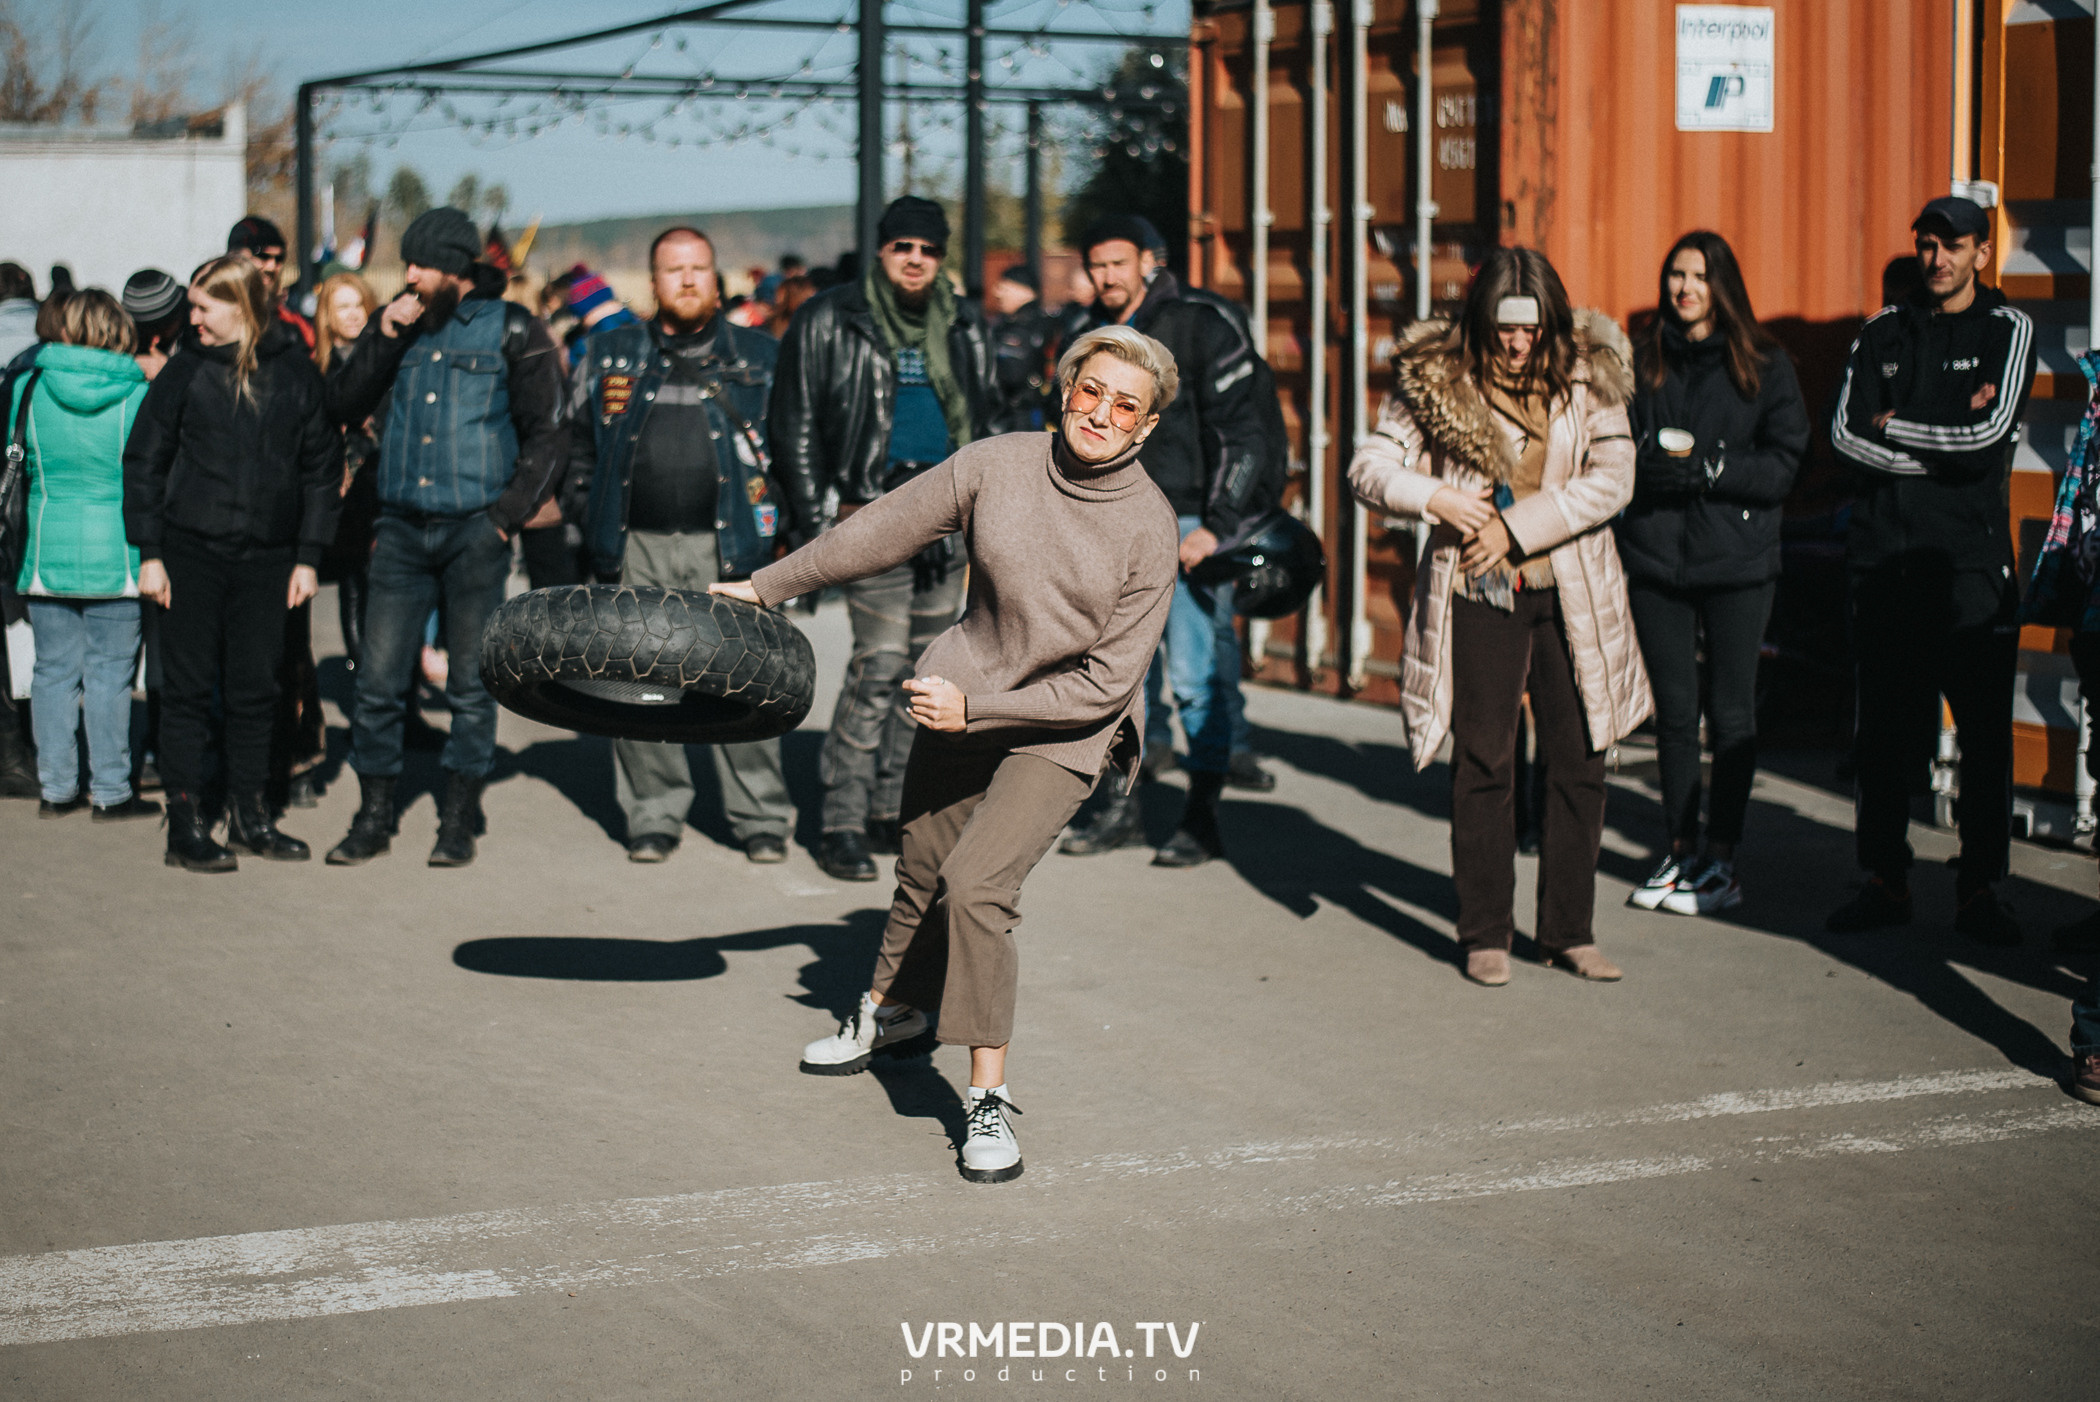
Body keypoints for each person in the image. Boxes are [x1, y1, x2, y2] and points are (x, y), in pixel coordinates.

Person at [719, 324, 1179, 1182]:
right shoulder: (996, 463)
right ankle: (891, 1013)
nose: (1102, 414)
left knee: (976, 888)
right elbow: (882, 530)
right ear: (1066, 385)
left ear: (1145, 427)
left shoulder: (1149, 527)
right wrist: (767, 587)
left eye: (1127, 406)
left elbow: (1105, 685)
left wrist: (981, 710)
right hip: (966, 692)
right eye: (1093, 391)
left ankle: (986, 1098)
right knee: (923, 870)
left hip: (1066, 723)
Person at [1348, 248, 1651, 987]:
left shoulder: (1592, 375)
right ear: (1481, 321)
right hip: (1477, 593)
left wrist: (1517, 528)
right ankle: (1485, 931)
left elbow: (1614, 479)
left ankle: (1569, 931)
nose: (1518, 342)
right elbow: (1368, 467)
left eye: (1532, 327)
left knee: (1580, 761)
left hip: (1573, 590)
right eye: (1504, 327)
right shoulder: (1433, 378)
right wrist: (1436, 499)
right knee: (1485, 760)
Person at [322, 207, 564, 868]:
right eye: (407, 263)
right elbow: (341, 406)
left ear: (456, 269)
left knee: (469, 682)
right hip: (398, 530)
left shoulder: (514, 328)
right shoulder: (396, 326)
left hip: (473, 531)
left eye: (422, 264)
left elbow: (548, 434)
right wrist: (380, 336)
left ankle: (459, 814)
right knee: (377, 680)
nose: (409, 276)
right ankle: (374, 814)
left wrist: (503, 517)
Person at [1824, 195, 2037, 944]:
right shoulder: (1883, 331)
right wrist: (1940, 446)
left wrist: (1901, 431)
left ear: (1983, 252)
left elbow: (1986, 437)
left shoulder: (2009, 330)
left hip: (1969, 571)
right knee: (1881, 735)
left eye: (1953, 245)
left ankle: (1980, 890)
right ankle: (1886, 879)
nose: (1937, 257)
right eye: (1926, 244)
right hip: (1883, 565)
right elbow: (1846, 437)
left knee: (1983, 739)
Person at [770, 195, 992, 881]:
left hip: (950, 517)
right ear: (882, 251)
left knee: (929, 673)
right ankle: (841, 813)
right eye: (904, 247)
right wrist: (818, 524)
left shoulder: (963, 323)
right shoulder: (831, 316)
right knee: (878, 665)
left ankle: (890, 807)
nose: (916, 260)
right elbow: (794, 423)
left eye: (928, 250)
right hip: (868, 513)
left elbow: (986, 416)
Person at [562, 226, 797, 864]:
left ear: (716, 278)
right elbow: (577, 448)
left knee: (747, 680)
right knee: (639, 684)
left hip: (733, 548)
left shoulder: (760, 354)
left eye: (698, 268)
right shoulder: (609, 351)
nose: (688, 280)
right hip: (635, 546)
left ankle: (761, 818)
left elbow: (791, 449)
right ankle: (653, 815)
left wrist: (791, 540)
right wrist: (590, 517)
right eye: (673, 270)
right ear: (653, 281)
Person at [1055, 215, 1270, 866]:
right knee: (1121, 680)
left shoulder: (1201, 322)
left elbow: (1248, 431)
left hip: (1184, 527)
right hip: (1105, 523)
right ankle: (1122, 809)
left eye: (1118, 262)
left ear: (1148, 261)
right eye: (1096, 265)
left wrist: (1218, 525)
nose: (1107, 276)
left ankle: (1201, 820)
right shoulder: (1084, 335)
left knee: (1196, 677)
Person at [122, 257, 342, 870]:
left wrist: (307, 558)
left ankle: (251, 815)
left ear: (240, 308)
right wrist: (151, 554)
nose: (189, 319)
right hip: (189, 554)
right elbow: (144, 462)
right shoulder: (184, 373)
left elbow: (322, 469)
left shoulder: (295, 375)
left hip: (268, 562)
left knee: (256, 692)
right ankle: (185, 824)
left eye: (201, 307)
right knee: (188, 694)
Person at [1616, 231, 1809, 916]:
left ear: (1721, 284)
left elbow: (1787, 460)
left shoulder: (1762, 363)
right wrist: (1647, 465)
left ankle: (1721, 860)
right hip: (1657, 557)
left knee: (1730, 713)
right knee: (1674, 713)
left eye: (1698, 275)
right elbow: (1607, 446)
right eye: (1675, 274)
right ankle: (1678, 851)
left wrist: (1715, 469)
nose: (1684, 288)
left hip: (1737, 561)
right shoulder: (1640, 360)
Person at [11, 290, 159, 821]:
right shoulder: (138, 391)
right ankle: (112, 791)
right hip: (119, 551)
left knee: (52, 672)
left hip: (45, 549)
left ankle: (55, 789)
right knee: (110, 675)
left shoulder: (26, 386)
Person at [0, 260, 41, 797]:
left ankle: (11, 749)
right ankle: (25, 749)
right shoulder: (41, 345)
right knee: (27, 628)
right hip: (27, 504)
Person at [985, 265, 1059, 434]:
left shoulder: (1031, 327)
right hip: (1012, 415)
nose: (997, 293)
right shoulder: (1005, 325)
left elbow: (1012, 375)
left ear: (1025, 291)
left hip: (1023, 417)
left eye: (1004, 287)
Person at [227, 216, 315, 350]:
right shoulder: (206, 312)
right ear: (234, 257)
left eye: (279, 258)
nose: (272, 266)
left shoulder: (295, 326)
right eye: (262, 255)